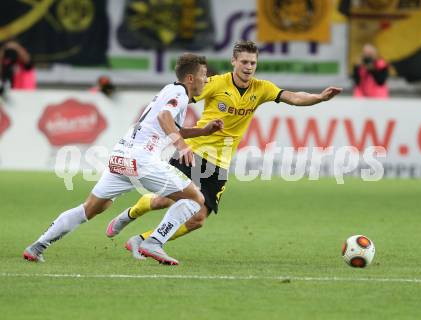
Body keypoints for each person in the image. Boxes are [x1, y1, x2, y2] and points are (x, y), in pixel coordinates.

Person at [107, 40, 343, 261]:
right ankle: (129, 215)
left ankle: (143, 240)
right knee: (163, 201)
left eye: (253, 62)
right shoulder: (216, 83)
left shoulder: (262, 89)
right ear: (234, 61)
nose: (249, 67)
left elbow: (292, 97)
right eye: (244, 62)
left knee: (198, 219)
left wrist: (319, 98)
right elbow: (183, 94)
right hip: (194, 152)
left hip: (220, 163)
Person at [23, 53, 224, 265]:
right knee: (195, 199)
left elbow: (171, 127)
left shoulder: (169, 89)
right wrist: (182, 147)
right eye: (203, 75)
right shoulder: (181, 94)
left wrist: (203, 131)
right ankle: (153, 242)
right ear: (190, 78)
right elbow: (164, 118)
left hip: (121, 156)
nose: (206, 80)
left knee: (90, 208)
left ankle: (37, 246)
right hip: (142, 158)